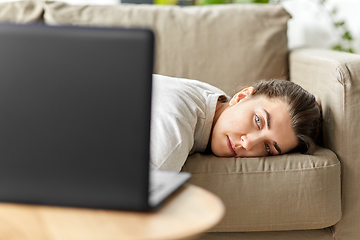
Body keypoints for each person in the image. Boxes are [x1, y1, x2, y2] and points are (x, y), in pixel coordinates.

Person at [150, 74, 321, 172]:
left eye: (268, 147)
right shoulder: (177, 123)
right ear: (241, 97)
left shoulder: (215, 100)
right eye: (258, 121)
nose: (248, 144)